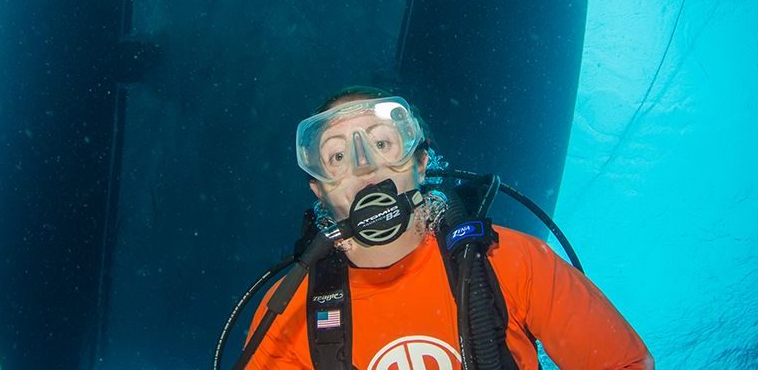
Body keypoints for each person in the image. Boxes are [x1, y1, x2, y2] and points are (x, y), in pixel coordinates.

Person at [245, 86, 653, 369]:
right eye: (337, 156)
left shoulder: (510, 261)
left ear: (421, 163)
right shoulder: (287, 310)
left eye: (382, 143)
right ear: (320, 190)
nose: (364, 165)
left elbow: (624, 363)